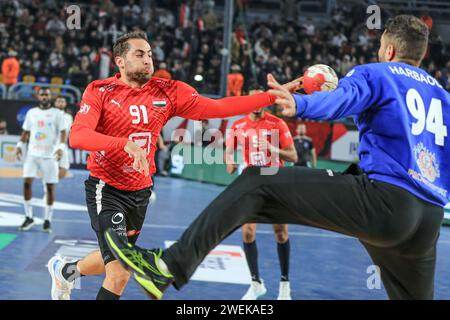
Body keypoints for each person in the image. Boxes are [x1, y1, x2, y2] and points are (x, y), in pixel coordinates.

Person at [105, 15, 450, 300]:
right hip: (427, 222)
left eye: (379, 47)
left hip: (383, 203)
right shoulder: (443, 97)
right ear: (419, 55)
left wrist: (299, 104)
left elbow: (341, 101)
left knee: (258, 181)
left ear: (388, 50)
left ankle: (167, 268)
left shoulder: (377, 73)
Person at [46, 30, 301, 300]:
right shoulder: (100, 91)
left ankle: (65, 272)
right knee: (120, 273)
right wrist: (122, 144)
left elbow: (220, 107)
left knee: (119, 260)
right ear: (120, 62)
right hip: (106, 188)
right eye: (139, 54)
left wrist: (273, 96)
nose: (148, 60)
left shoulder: (168, 92)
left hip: (140, 191)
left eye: (150, 54)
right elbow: (78, 135)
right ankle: (66, 273)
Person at [225, 86, 297, 300]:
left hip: (276, 182)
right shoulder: (238, 126)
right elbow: (229, 153)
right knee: (247, 232)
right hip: (251, 183)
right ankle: (256, 282)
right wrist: (230, 162)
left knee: (281, 233)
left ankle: (285, 284)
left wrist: (273, 149)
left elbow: (293, 156)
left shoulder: (278, 124)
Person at [15, 88, 67, 233]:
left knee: (49, 188)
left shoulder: (57, 114)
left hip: (49, 156)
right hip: (32, 154)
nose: (44, 96)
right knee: (26, 183)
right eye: (42, 94)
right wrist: (20, 145)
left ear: (50, 97)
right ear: (38, 97)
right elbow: (26, 131)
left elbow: (63, 132)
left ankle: (47, 220)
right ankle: (29, 216)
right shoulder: (32, 113)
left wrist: (61, 147)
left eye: (47, 95)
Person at [53, 96, 73, 179]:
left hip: (63, 145)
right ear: (55, 103)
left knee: (64, 168)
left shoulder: (69, 117)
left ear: (65, 104)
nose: (60, 103)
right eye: (58, 101)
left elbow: (70, 131)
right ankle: (48, 187)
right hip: (52, 145)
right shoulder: (50, 115)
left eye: (62, 101)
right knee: (50, 167)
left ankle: (52, 184)